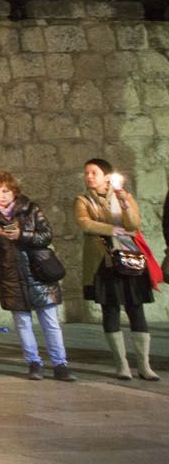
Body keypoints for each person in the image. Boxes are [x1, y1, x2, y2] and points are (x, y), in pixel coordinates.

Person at [0, 172, 72, 381]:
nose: (2, 196)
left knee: (49, 320)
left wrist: (22, 235)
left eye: (6, 191)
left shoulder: (31, 209)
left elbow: (46, 235)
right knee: (22, 321)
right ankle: (34, 362)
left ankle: (60, 363)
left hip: (38, 272)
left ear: (14, 191)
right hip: (11, 274)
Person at [75, 158, 158, 381]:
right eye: (87, 173)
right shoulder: (83, 200)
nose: (89, 176)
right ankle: (121, 364)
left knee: (136, 309)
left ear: (107, 177)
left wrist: (125, 204)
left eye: (94, 172)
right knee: (110, 310)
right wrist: (116, 230)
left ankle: (144, 365)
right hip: (104, 262)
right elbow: (85, 223)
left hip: (129, 260)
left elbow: (133, 225)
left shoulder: (124, 197)